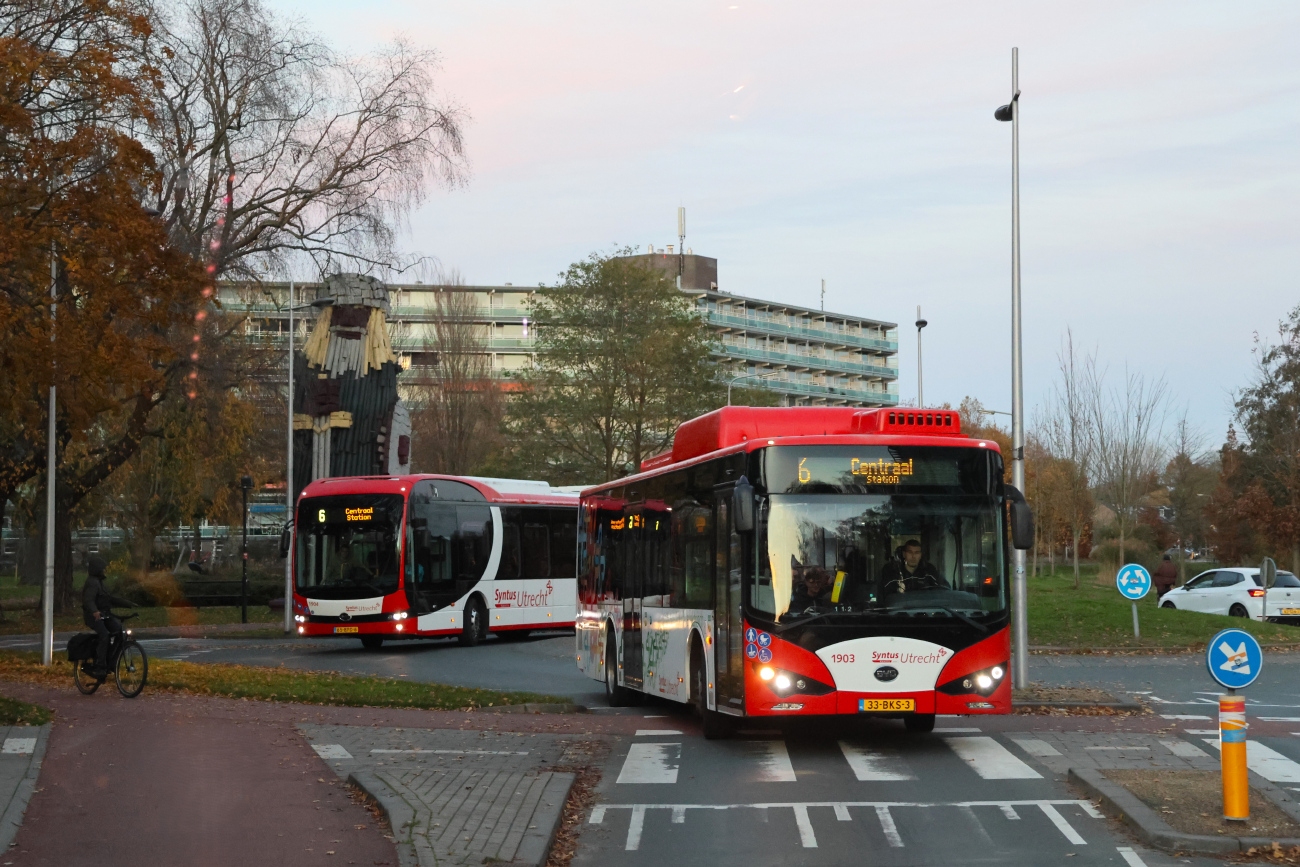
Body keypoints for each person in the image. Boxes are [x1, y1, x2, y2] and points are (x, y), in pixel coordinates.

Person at [81, 556, 135, 677]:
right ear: (97, 569)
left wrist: (128, 604)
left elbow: (109, 599)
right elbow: (88, 600)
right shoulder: (92, 582)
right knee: (104, 635)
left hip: (105, 615)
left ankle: (111, 662)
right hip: (93, 617)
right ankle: (100, 666)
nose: (104, 571)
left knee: (121, 633)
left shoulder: (101, 583)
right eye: (102, 569)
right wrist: (95, 611)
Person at [880, 540, 949, 594]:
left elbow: (945, 589)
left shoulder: (929, 571)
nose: (913, 556)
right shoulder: (893, 572)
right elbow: (883, 594)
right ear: (904, 554)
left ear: (920, 555)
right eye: (910, 552)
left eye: (917, 553)